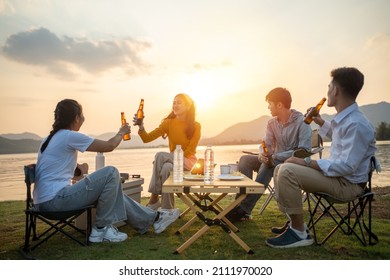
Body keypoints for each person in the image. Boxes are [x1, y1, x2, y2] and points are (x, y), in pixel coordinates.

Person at [34, 99, 180, 243]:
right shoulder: (68, 135)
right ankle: (101, 230)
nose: (84, 118)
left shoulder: (49, 139)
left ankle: (154, 219)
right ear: (76, 117)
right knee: (110, 173)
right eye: (82, 115)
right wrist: (121, 133)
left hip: (42, 203)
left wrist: (79, 170)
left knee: (110, 190)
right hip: (56, 202)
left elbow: (56, 169)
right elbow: (109, 146)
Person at [266, 67, 377, 248]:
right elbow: (338, 136)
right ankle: (295, 224)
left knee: (287, 171)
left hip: (347, 185)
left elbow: (347, 166)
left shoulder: (357, 124)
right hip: (336, 178)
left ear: (336, 90)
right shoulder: (348, 119)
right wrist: (319, 121)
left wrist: (307, 162)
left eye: (329, 86)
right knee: (280, 168)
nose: (327, 91)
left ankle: (300, 234)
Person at [226, 87, 312, 222]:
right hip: (274, 160)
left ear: (279, 104)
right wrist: (263, 155)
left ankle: (243, 209)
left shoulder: (302, 122)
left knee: (269, 165)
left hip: (294, 164)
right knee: (245, 160)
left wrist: (274, 157)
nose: (268, 107)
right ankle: (239, 206)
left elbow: (303, 151)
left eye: (270, 104)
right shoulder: (272, 123)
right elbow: (266, 145)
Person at [134, 93, 201, 210]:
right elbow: (147, 138)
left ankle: (154, 197)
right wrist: (141, 126)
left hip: (189, 163)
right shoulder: (168, 123)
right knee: (166, 168)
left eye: (179, 103)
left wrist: (168, 157)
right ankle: (167, 210)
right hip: (173, 163)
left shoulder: (195, 126)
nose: (175, 105)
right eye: (174, 103)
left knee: (160, 156)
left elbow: (190, 150)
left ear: (188, 106)